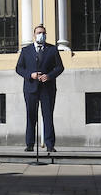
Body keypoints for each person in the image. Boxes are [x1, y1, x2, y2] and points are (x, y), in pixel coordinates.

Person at [15, 24, 65, 153]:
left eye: (43, 32)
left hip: (47, 88)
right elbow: (19, 68)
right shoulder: (26, 51)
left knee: (47, 116)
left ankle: (50, 144)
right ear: (34, 35)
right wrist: (30, 75)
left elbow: (60, 67)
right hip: (31, 88)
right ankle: (30, 144)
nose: (41, 35)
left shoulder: (52, 49)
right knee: (31, 116)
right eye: (38, 32)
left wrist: (49, 76)